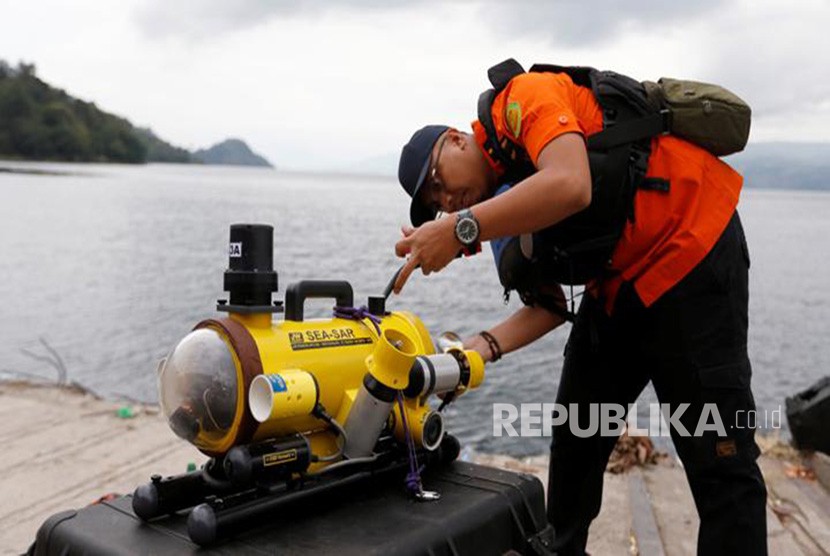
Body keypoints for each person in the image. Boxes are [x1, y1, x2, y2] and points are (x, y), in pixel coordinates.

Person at [392, 61, 767, 555]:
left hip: (691, 251)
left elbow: (572, 183)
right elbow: (547, 306)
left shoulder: (522, 99)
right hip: (620, 286)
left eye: (438, 180)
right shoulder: (505, 201)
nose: (446, 197)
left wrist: (459, 227)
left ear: (459, 140)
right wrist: (476, 350)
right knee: (575, 442)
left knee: (719, 458)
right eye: (435, 201)